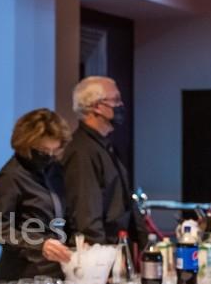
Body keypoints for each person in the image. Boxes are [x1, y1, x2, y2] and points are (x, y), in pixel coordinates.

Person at [61, 76, 148, 256]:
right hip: (100, 256)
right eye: (115, 100)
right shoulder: (82, 151)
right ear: (96, 107)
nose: (121, 105)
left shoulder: (104, 146)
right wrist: (102, 262)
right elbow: (86, 215)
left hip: (115, 250)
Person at [0, 109, 73, 283]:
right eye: (42, 150)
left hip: (53, 274)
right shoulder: (11, 177)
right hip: (20, 277)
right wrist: (40, 244)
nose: (49, 157)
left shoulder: (54, 170)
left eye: (54, 151)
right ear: (26, 144)